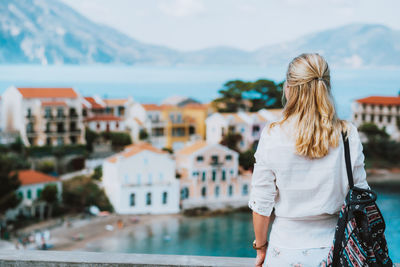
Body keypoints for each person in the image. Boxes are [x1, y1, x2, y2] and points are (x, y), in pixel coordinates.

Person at [248, 53, 369, 267]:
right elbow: (361, 195)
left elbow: (261, 203)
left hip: (283, 251)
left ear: (289, 88)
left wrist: (261, 247)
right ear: (327, 86)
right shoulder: (347, 133)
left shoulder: (272, 134)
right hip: (337, 250)